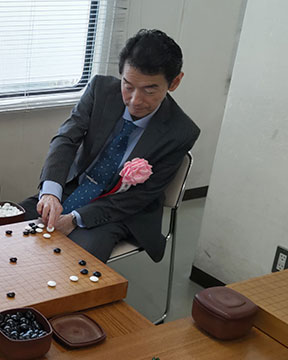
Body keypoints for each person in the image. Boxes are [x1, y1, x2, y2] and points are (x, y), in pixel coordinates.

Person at [19, 29, 200, 263]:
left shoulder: (181, 131)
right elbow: (66, 139)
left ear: (174, 82)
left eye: (150, 90)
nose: (135, 100)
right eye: (128, 85)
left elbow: (140, 197)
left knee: (74, 260)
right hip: (74, 189)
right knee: (8, 224)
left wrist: (74, 218)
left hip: (124, 211)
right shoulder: (101, 90)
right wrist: (52, 194)